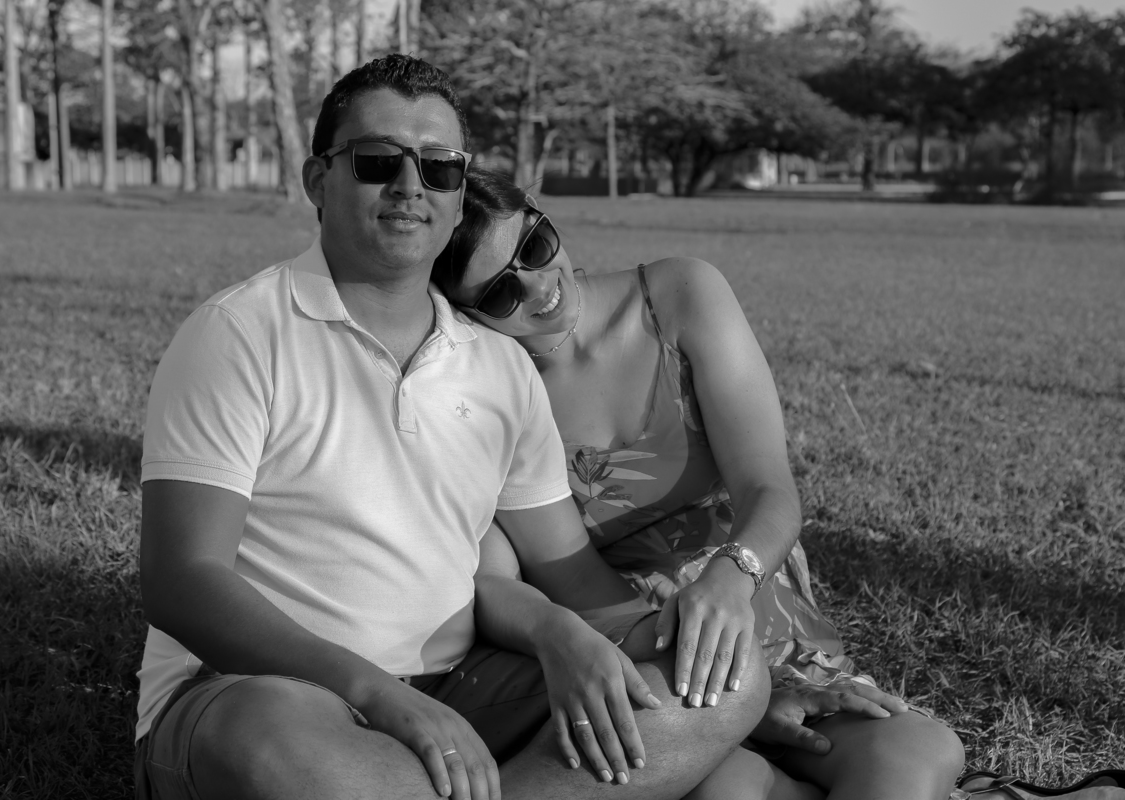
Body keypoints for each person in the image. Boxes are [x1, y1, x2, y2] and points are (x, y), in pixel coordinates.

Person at [132, 55, 771, 800]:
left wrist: (682, 661)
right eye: (377, 161)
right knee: (284, 750)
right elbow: (183, 581)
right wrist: (377, 695)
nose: (411, 186)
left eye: (439, 168)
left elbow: (570, 574)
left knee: (729, 683)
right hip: (271, 689)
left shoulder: (498, 366)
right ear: (317, 181)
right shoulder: (238, 333)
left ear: (460, 189)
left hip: (463, 686)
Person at [431, 166, 969, 800]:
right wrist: (731, 690)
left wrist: (734, 580)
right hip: (635, 642)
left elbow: (768, 486)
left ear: (540, 213)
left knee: (917, 756)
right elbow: (553, 582)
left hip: (746, 590)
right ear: (463, 310)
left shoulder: (677, 295)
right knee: (731, 789)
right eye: (500, 292)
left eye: (535, 245)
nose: (539, 285)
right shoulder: (482, 392)